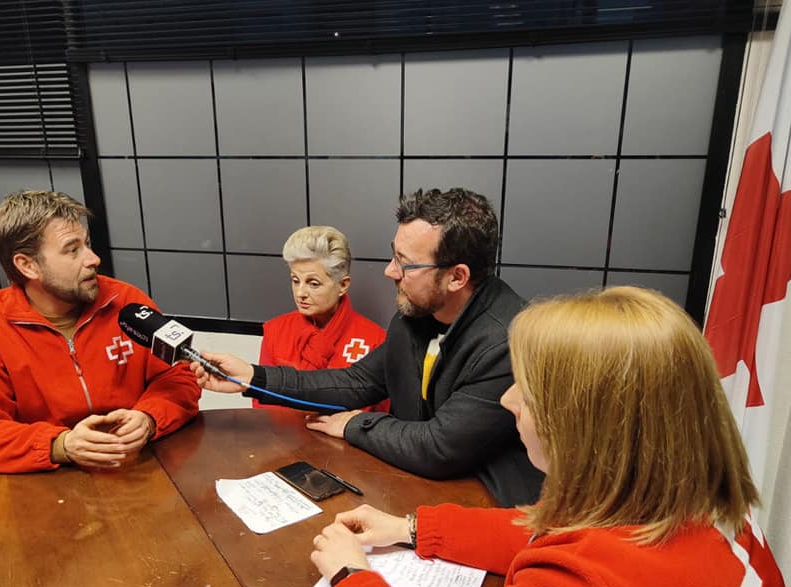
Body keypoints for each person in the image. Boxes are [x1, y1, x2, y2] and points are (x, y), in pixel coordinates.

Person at [309, 286, 791, 587]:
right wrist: (413, 528)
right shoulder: (695, 495)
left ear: (585, 427)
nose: (508, 402)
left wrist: (352, 581)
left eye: (526, 391)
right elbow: (546, 530)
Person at [192, 188, 543, 507]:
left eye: (405, 264)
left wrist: (356, 424)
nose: (390, 272)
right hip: (417, 490)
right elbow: (357, 381)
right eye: (394, 256)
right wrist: (254, 377)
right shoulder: (417, 315)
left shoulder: (507, 342)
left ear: (457, 277)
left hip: (487, 508)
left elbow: (439, 448)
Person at [0, 190, 200, 474]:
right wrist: (60, 445)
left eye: (86, 244)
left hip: (137, 468)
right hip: (43, 486)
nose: (93, 259)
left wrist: (149, 417)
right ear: (28, 265)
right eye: (72, 250)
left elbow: (180, 377)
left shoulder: (127, 303)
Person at [256, 225, 387, 412]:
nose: (300, 293)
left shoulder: (375, 340)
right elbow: (262, 407)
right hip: (283, 439)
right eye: (295, 280)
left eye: (313, 283)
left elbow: (379, 420)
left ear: (343, 284)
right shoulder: (275, 331)